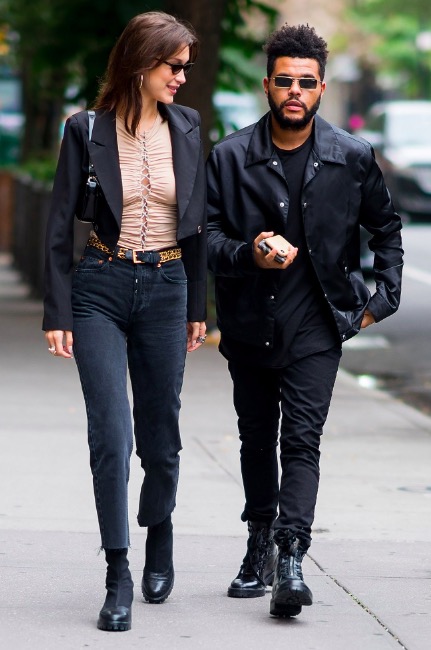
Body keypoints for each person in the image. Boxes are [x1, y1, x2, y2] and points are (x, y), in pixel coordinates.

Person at [207, 23, 403, 618]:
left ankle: (291, 556)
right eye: (285, 81)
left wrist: (379, 301)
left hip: (319, 323)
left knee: (301, 440)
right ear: (267, 85)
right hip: (249, 321)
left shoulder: (352, 156)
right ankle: (258, 541)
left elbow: (386, 229)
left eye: (307, 82)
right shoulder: (230, 157)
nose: (295, 91)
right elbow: (206, 240)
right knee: (254, 437)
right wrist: (250, 252)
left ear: (320, 88)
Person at [43, 11, 207, 632]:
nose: (182, 78)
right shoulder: (85, 130)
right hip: (100, 289)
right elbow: (59, 222)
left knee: (161, 439)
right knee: (112, 436)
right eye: (174, 66)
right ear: (141, 63)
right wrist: (57, 310)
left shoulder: (187, 126)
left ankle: (159, 527)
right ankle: (117, 572)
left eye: (187, 67)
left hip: (167, 286)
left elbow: (197, 222)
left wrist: (196, 306)